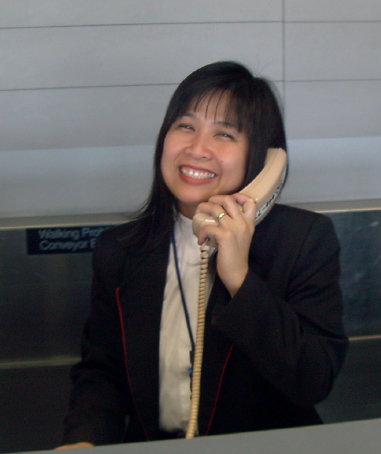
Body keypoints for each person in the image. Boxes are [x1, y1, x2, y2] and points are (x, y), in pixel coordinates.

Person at [58, 61, 348, 448]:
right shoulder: (120, 249)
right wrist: (83, 439)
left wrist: (240, 279)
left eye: (224, 134)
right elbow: (102, 373)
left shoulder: (303, 240)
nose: (197, 149)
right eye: (186, 126)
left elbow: (312, 380)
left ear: (263, 158)